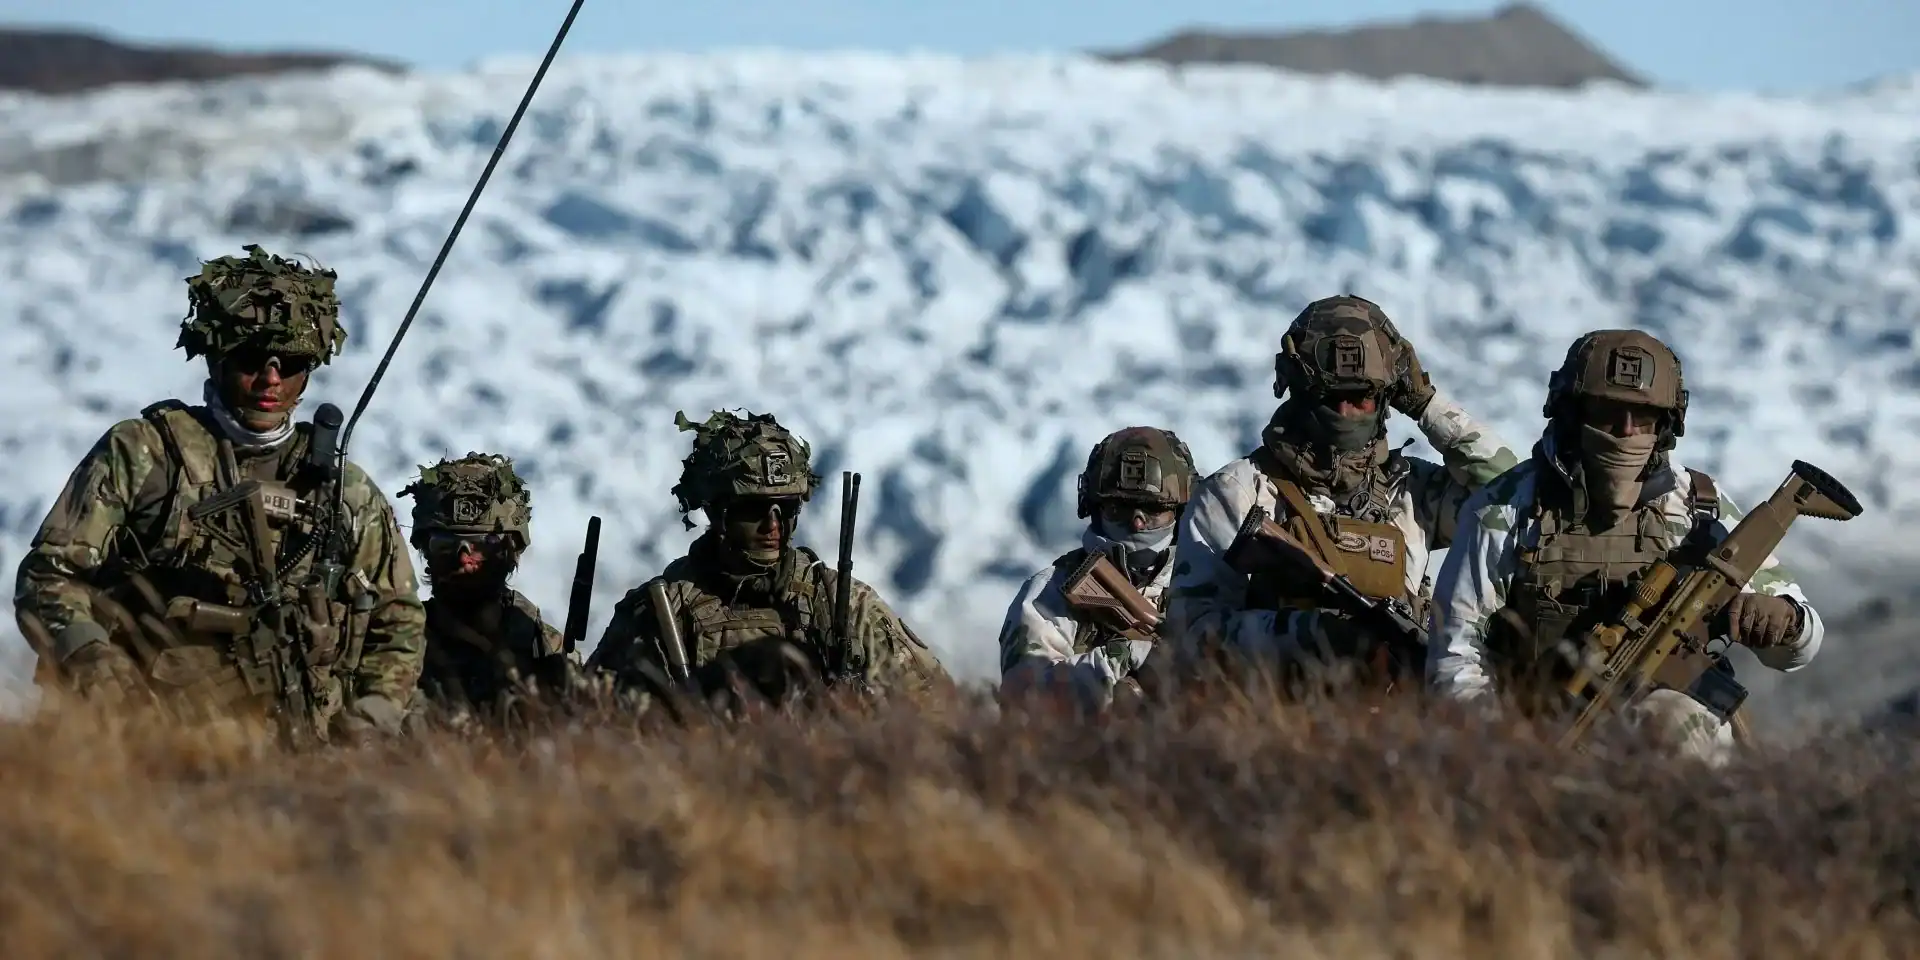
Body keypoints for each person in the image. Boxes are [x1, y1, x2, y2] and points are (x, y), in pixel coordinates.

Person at [12, 244, 424, 742]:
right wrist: (95, 665)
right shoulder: (147, 454)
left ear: (309, 370)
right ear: (216, 357)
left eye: (289, 362)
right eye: (252, 358)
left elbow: (397, 619)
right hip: (142, 741)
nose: (271, 378)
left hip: (304, 755)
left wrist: (372, 715)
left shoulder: (344, 492)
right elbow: (49, 575)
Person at [1428, 329, 1822, 764]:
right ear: (1572, 414)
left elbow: (1800, 646)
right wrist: (1505, 749)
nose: (1626, 431)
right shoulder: (1506, 509)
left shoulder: (1697, 508)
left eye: (1644, 417)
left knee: (1678, 721)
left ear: (1667, 425)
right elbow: (1456, 656)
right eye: (1608, 414)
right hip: (1541, 734)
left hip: (1673, 742)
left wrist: (1785, 620)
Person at [1165, 294, 1518, 686]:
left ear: (1387, 399)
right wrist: (1310, 635)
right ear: (1298, 391)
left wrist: (1426, 404)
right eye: (1330, 397)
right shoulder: (1238, 492)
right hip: (1274, 723)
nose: (1346, 413)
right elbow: (1192, 637)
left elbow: (1509, 492)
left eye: (1362, 397)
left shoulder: (1414, 492)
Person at [588, 410, 950, 712]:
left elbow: (938, 706)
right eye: (753, 510)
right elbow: (599, 722)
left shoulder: (841, 604)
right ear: (717, 511)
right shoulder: (661, 611)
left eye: (786, 508)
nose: (773, 524)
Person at [997, 426, 1197, 710]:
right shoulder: (1050, 593)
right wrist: (1125, 657)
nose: (1137, 523)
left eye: (1153, 509)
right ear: (1094, 507)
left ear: (1180, 510)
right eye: (1119, 508)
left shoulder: (1209, 580)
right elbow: (1024, 703)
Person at [398, 452, 578, 727]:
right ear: (426, 552)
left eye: (483, 544)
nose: (464, 560)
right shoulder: (396, 644)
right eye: (445, 546)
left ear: (510, 552)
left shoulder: (542, 645)